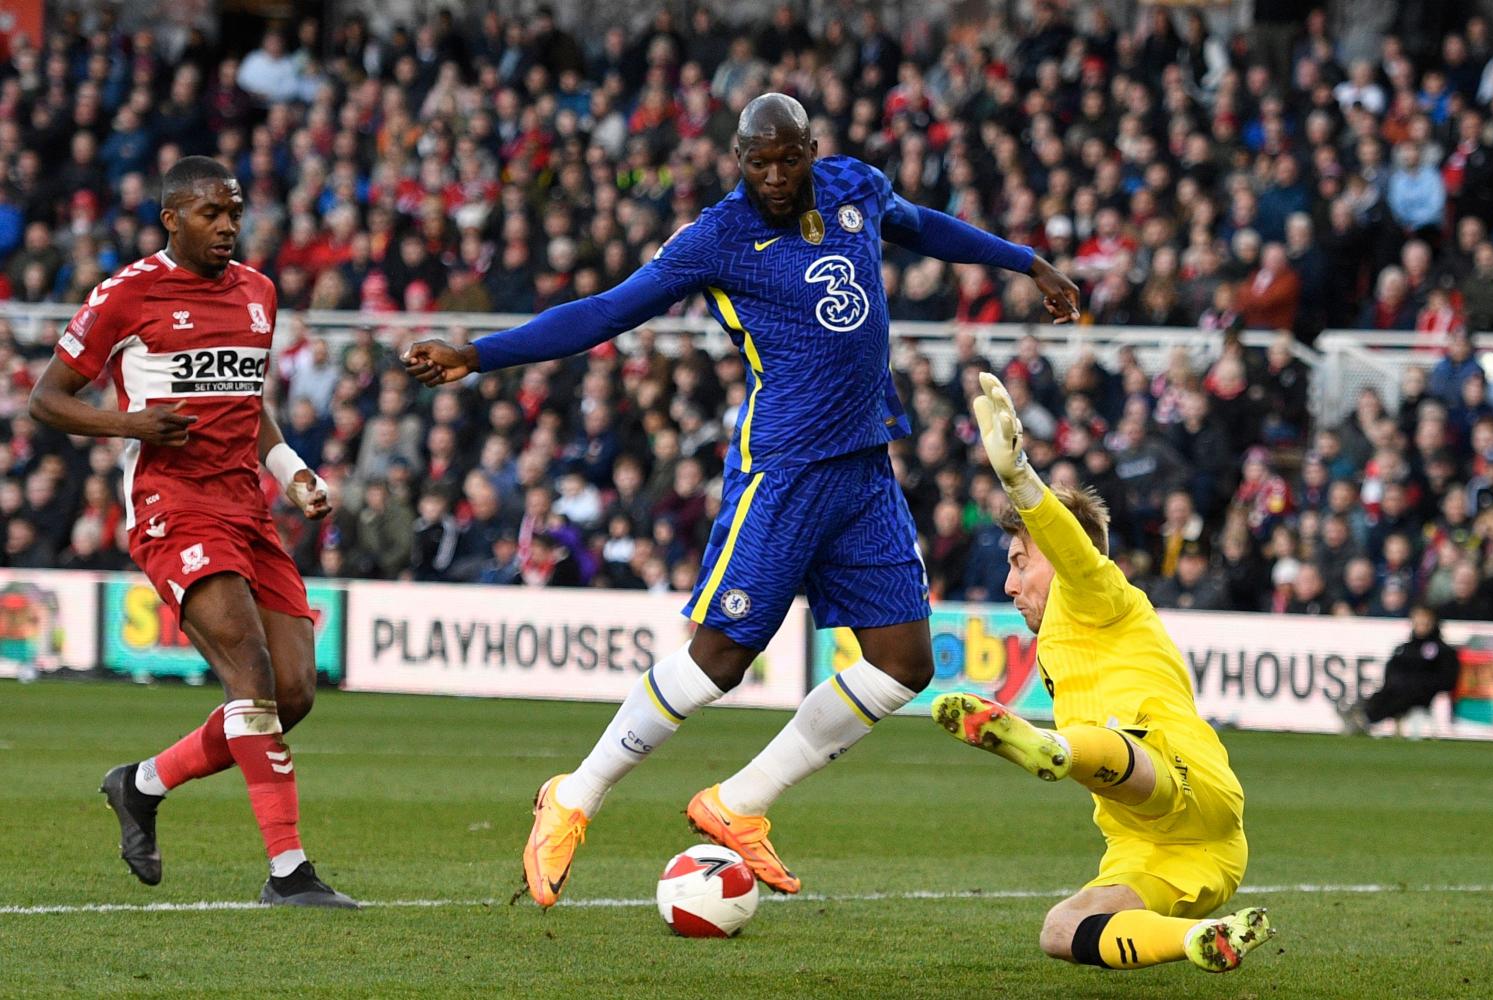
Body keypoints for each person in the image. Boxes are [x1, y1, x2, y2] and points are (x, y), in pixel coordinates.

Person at [403, 93, 1081, 908]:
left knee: (904, 664)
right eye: (756, 162)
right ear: (736, 160)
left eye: (786, 158)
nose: (772, 176)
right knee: (719, 660)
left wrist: (1024, 260)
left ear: (811, 149)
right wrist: (479, 355)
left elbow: (922, 223)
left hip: (865, 466)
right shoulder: (718, 237)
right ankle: (574, 795)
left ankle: (740, 803)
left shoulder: (852, 187)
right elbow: (606, 311)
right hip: (784, 471)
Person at [26, 156, 355, 908]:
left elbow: (250, 401)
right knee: (249, 670)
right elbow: (48, 400)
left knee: (294, 694)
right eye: (211, 213)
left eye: (234, 212)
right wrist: (129, 423)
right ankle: (289, 874)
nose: (228, 226)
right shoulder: (128, 294)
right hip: (173, 504)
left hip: (247, 505)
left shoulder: (259, 295)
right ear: (171, 219)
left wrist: (293, 471)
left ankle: (140, 785)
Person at [930, 372, 1274, 974]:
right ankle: (1197, 939)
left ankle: (1055, 750)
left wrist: (1021, 480)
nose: (1009, 584)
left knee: (1124, 750)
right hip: (1178, 853)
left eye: (1019, 563)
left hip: (1182, 782)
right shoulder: (1055, 641)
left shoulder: (1096, 592)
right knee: (1062, 930)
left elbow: (1072, 551)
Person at [1340, 605, 1460, 733]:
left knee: (1405, 692)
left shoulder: (1443, 650)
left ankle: (1366, 717)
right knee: (1389, 691)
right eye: (1418, 619)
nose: (1421, 623)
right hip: (1398, 689)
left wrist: (1420, 682)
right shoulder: (1404, 648)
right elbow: (1391, 671)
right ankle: (1363, 711)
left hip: (1424, 693)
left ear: (1433, 622)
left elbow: (1448, 679)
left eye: (1425, 620)